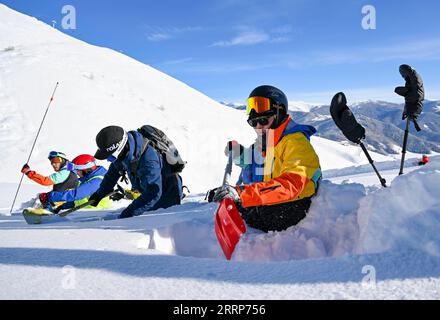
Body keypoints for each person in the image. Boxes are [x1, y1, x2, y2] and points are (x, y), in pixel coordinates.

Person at [209, 85, 322, 233]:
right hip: (274, 198)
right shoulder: (269, 141)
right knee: (227, 199)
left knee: (248, 208)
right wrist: (239, 153)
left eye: (263, 120)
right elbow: (256, 163)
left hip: (293, 204)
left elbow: (294, 184)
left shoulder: (295, 142)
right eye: (254, 123)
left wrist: (242, 193)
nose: (258, 127)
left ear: (279, 113)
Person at [87, 125, 183, 219]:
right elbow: (113, 173)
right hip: (149, 196)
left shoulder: (149, 160)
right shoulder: (124, 154)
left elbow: (153, 193)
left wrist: (127, 214)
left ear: (120, 149)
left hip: (167, 197)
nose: (109, 160)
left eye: (111, 157)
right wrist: (99, 194)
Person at [38, 154, 112, 212]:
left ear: (87, 170)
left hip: (98, 214)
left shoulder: (97, 181)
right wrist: (63, 206)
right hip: (87, 213)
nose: (76, 173)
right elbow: (80, 200)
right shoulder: (87, 180)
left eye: (78, 171)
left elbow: (75, 194)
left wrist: (50, 196)